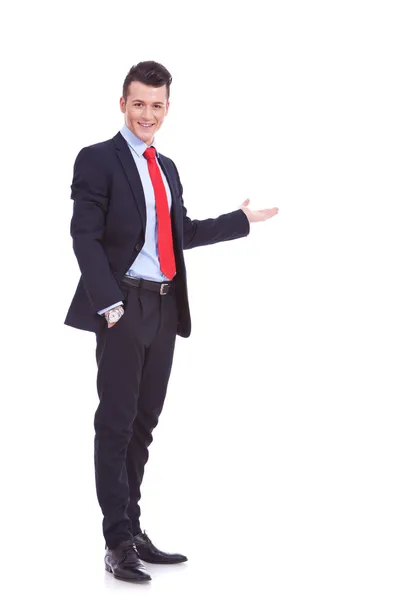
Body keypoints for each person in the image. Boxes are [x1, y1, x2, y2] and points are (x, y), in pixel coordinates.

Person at [64, 60, 279, 583]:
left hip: (164, 307)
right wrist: (108, 305)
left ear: (167, 109)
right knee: (114, 422)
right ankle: (116, 539)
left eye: (157, 105)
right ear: (122, 103)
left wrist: (238, 222)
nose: (147, 114)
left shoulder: (168, 167)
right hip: (121, 307)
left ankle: (133, 528)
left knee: (144, 421)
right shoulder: (98, 160)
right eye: (138, 103)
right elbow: (84, 237)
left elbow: (177, 232)